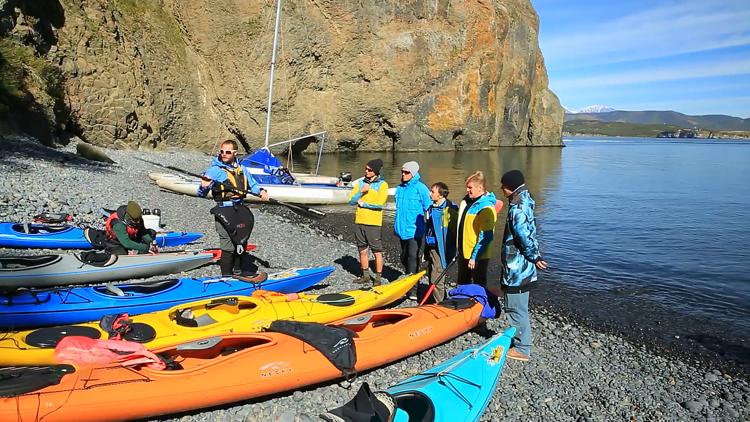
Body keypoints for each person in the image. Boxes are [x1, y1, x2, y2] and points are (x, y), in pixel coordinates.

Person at [198, 140, 269, 279]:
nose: (224, 154)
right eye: (222, 151)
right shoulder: (214, 170)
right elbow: (201, 193)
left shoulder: (242, 169)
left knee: (241, 241)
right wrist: (203, 186)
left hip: (239, 209)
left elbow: (253, 185)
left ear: (235, 153)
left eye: (228, 152)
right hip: (223, 211)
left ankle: (238, 272)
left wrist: (261, 191)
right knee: (228, 246)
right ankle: (226, 276)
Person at [499, 169, 548, 362]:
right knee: (520, 306)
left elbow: (523, 236)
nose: (501, 189)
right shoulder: (526, 200)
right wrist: (534, 258)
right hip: (525, 267)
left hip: (517, 268)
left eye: (503, 185)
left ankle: (522, 348)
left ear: (510, 188)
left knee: (515, 307)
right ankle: (521, 341)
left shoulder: (517, 209)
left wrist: (535, 256)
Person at [348, 158, 389, 286]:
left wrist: (364, 203)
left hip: (373, 223)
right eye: (365, 169)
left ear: (375, 171)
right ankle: (365, 275)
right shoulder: (360, 183)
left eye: (369, 170)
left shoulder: (383, 185)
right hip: (360, 221)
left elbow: (379, 204)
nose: (366, 171)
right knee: (362, 250)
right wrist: (361, 191)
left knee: (377, 251)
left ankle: (377, 278)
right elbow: (351, 201)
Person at [455, 171, 497, 289]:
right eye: (467, 187)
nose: (467, 190)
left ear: (480, 188)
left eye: (470, 187)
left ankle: (481, 306)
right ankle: (462, 304)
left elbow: (486, 236)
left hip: (478, 255)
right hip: (464, 252)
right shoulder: (467, 202)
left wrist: (474, 257)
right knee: (463, 283)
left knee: (478, 285)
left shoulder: (486, 207)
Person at [394, 161, 432, 277]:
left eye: (406, 172)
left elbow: (428, 208)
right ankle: (411, 273)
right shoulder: (399, 188)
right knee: (404, 257)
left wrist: (430, 227)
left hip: (415, 230)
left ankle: (413, 290)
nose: (403, 174)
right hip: (401, 229)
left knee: (412, 256)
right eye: (402, 172)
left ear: (413, 173)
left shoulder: (421, 188)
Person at [423, 182, 458, 302]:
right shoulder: (430, 208)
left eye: (433, 191)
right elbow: (428, 227)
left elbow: (455, 231)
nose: (430, 193)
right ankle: (435, 300)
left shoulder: (451, 209)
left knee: (437, 277)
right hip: (431, 247)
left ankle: (440, 303)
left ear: (441, 195)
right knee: (432, 274)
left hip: (442, 248)